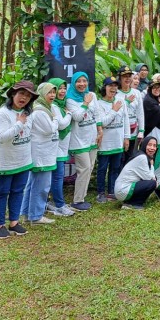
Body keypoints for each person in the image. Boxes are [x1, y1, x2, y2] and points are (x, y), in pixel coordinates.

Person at [0, 81, 37, 238]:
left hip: (23, 160)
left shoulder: (27, 114)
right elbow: (2, 137)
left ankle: (14, 223)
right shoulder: (2, 114)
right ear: (12, 94)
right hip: (5, 162)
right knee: (2, 192)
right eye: (21, 94)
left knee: (18, 192)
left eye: (28, 95)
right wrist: (19, 124)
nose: (24, 98)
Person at [24, 82, 61, 224]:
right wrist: (56, 119)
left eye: (53, 92)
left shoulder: (45, 109)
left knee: (33, 184)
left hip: (44, 153)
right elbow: (49, 129)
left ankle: (28, 213)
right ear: (41, 94)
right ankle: (36, 215)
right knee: (41, 186)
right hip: (41, 155)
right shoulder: (40, 111)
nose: (52, 95)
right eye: (49, 92)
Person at [66, 71, 100, 211]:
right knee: (84, 168)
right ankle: (77, 201)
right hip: (78, 140)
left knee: (89, 168)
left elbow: (97, 114)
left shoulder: (93, 95)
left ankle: (82, 196)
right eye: (78, 81)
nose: (82, 84)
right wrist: (85, 103)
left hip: (92, 138)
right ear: (74, 83)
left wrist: (100, 131)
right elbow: (77, 117)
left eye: (84, 81)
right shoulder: (70, 99)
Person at [95, 77, 129, 203]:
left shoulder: (121, 102)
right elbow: (102, 123)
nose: (113, 88)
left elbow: (125, 121)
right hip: (105, 144)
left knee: (115, 168)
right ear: (105, 87)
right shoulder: (98, 104)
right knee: (102, 168)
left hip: (118, 142)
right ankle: (100, 192)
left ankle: (111, 191)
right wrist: (114, 111)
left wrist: (126, 138)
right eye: (110, 86)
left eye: (115, 86)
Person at [46, 78, 74, 217]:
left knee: (56, 177)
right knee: (57, 177)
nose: (62, 91)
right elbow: (62, 125)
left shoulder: (61, 105)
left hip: (61, 147)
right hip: (56, 147)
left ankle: (52, 202)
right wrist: (69, 114)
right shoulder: (54, 106)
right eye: (59, 89)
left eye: (64, 88)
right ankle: (59, 205)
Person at [115, 135, 158, 210]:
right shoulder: (142, 158)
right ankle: (133, 204)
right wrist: (152, 165)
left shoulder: (141, 155)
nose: (152, 148)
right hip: (122, 190)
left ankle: (130, 201)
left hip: (122, 189)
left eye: (154, 146)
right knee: (152, 183)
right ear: (144, 145)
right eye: (149, 145)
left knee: (152, 181)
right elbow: (148, 178)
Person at [115, 65, 143, 164]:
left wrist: (141, 130)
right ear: (120, 78)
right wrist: (126, 102)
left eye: (129, 76)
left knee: (130, 157)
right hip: (120, 130)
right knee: (119, 159)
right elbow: (116, 111)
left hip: (134, 129)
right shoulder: (116, 93)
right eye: (124, 76)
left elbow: (140, 112)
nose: (127, 78)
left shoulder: (136, 93)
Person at [142, 79, 160, 144]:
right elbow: (158, 113)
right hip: (153, 130)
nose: (157, 89)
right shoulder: (148, 100)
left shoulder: (157, 98)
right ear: (150, 89)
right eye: (154, 88)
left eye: (159, 87)